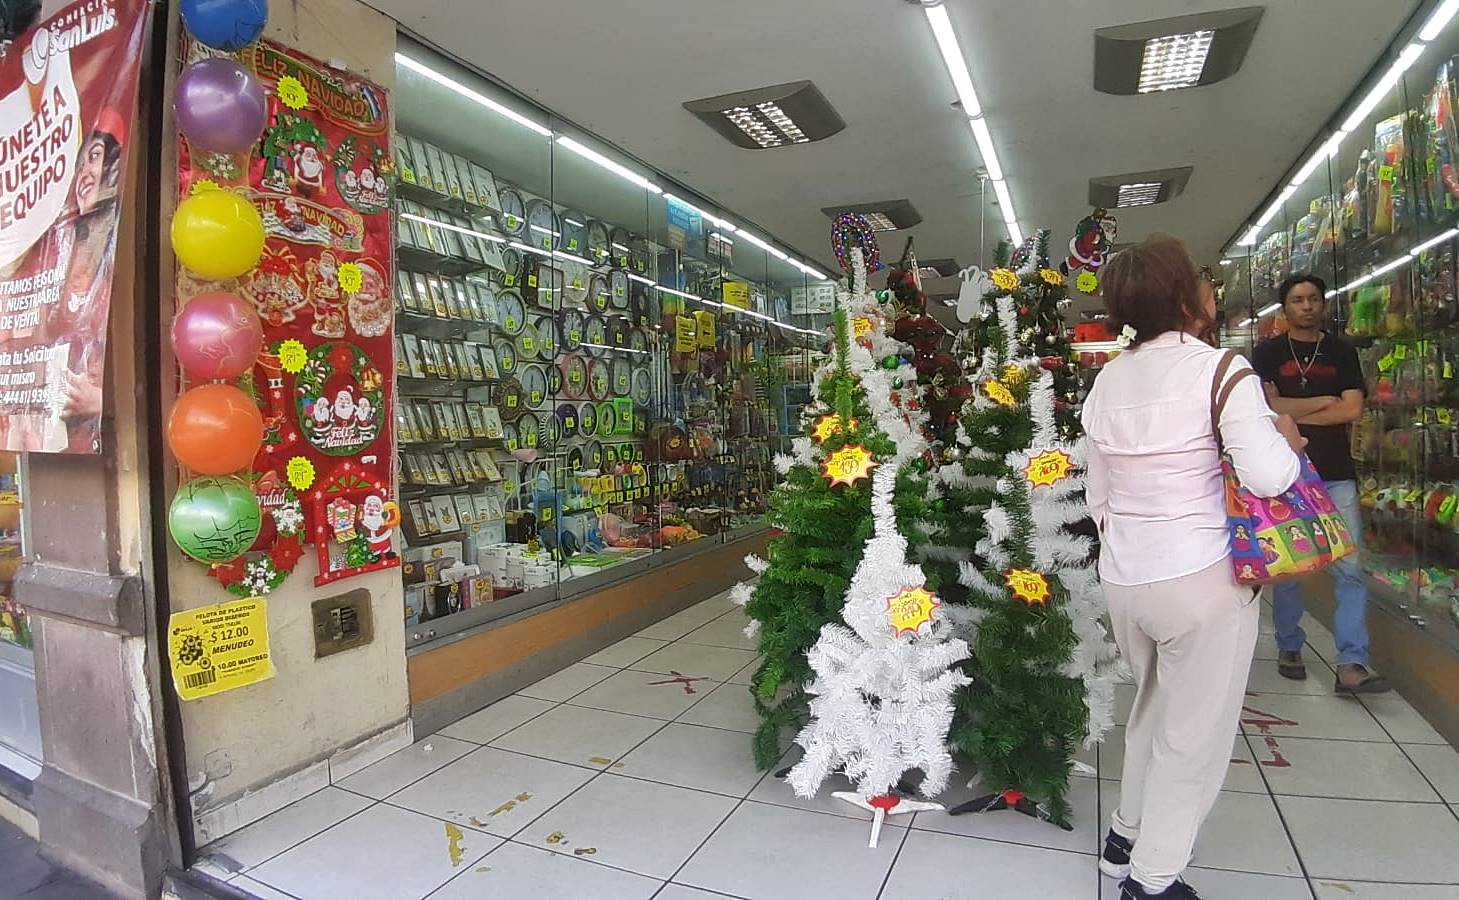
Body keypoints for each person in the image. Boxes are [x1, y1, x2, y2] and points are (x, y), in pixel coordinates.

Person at [1082, 236, 1304, 900]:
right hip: (1201, 578)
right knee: (1194, 736)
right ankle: (1151, 879)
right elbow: (1267, 476)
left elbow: (1097, 494)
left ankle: (1122, 837)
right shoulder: (1220, 371)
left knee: (1152, 704)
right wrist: (1289, 443)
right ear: (1185, 299)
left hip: (1125, 579)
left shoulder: (1107, 378)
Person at [1251, 274, 1389, 693]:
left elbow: (1352, 410)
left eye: (1313, 299)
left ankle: (1352, 663)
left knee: (1348, 569)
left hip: (1336, 474)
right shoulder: (1269, 353)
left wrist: (1293, 410)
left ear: (1323, 305)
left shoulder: (1342, 351)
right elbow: (1266, 409)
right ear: (1285, 308)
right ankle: (1289, 645)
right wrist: (1322, 401)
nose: (1306, 306)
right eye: (1297, 300)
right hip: (1287, 474)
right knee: (1290, 565)